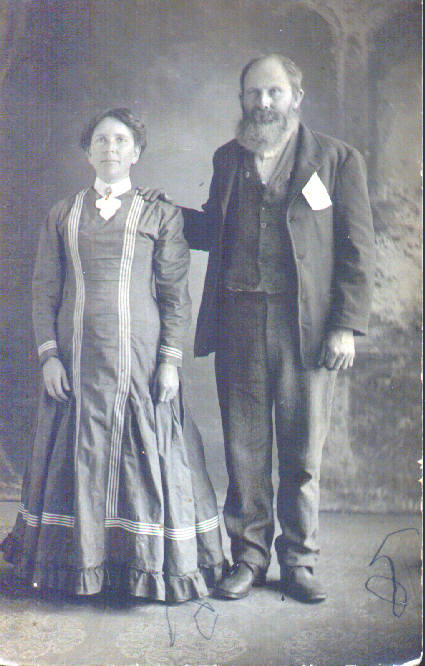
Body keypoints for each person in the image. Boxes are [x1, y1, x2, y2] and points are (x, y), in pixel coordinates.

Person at [1, 108, 224, 603]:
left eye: (121, 140)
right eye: (101, 140)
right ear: (87, 152)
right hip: (77, 365)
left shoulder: (159, 214)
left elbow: (176, 296)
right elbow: (44, 289)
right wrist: (49, 356)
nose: (111, 149)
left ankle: (140, 568)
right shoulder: (63, 214)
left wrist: (170, 361)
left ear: (137, 152)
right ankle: (78, 566)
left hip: (140, 363)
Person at [181, 54, 375, 603]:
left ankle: (299, 560)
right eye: (253, 93)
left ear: (296, 97)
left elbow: (357, 248)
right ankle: (248, 557)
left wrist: (345, 326)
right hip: (239, 323)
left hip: (305, 328)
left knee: (302, 451)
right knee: (244, 449)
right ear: (242, 99)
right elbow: (214, 231)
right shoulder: (228, 158)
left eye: (274, 92)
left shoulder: (336, 160)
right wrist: (158, 213)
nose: (263, 103)